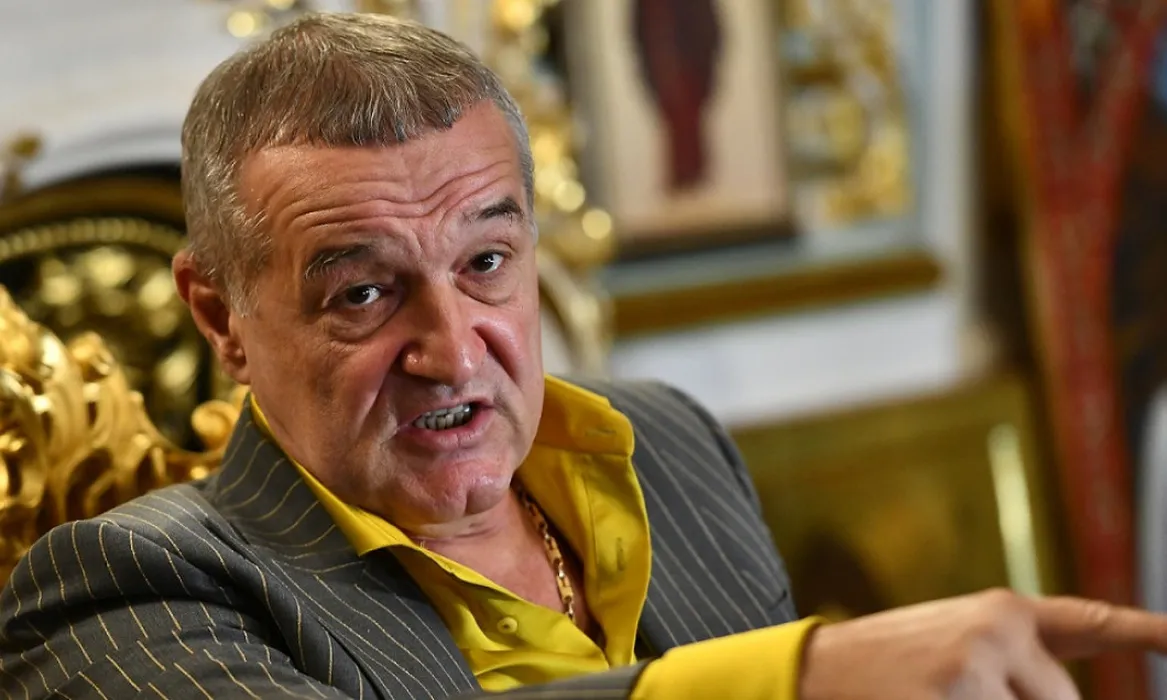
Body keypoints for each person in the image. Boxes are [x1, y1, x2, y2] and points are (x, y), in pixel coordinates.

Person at [1, 12, 1166, 700]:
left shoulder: (665, 441)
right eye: (363, 292)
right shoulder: (123, 586)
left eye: (487, 262)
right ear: (219, 318)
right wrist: (795, 678)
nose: (451, 350)